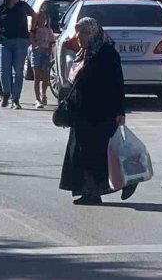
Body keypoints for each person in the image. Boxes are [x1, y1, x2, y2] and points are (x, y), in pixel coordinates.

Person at [58, 18, 135, 205]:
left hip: (101, 112)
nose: (79, 38)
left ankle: (103, 188)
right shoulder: (84, 53)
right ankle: (89, 190)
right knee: (82, 152)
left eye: (83, 33)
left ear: (93, 33)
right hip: (82, 112)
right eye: (78, 33)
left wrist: (120, 111)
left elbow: (118, 84)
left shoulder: (107, 54)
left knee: (95, 154)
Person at [0, 0, 35, 110]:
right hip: (5, 42)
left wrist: (32, 31)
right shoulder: (2, 9)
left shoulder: (22, 6)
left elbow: (34, 14)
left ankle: (16, 98)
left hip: (21, 41)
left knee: (18, 72)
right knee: (4, 70)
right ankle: (6, 94)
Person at [29, 11, 55, 109]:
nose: (42, 20)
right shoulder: (34, 30)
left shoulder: (49, 30)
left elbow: (51, 42)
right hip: (36, 53)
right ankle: (37, 99)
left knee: (45, 77)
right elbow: (30, 39)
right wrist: (34, 44)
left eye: (45, 18)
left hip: (45, 53)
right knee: (37, 77)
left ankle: (43, 93)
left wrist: (49, 51)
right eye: (41, 18)